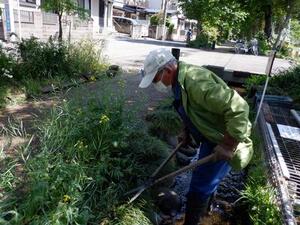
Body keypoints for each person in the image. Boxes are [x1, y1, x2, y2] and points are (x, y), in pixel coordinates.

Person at [138, 48, 253, 225]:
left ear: (167, 70)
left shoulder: (195, 82)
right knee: (206, 182)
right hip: (209, 136)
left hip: (224, 138)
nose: (156, 84)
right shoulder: (178, 81)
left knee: (198, 187)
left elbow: (239, 107)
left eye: (155, 79)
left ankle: (191, 222)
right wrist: (187, 131)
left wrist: (228, 145)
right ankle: (207, 210)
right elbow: (189, 107)